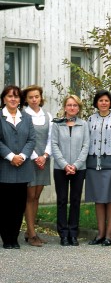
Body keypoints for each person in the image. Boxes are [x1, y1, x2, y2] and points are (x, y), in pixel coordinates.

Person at [86, 90, 111, 246]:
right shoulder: (90, 119)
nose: (103, 103)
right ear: (96, 102)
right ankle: (100, 234)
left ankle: (109, 235)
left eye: (106, 100)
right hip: (93, 166)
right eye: (101, 100)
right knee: (99, 200)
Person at [0, 85, 36, 249]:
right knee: (5, 205)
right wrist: (10, 156)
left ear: (20, 99)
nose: (13, 99)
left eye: (16, 96)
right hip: (4, 167)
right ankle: (6, 239)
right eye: (9, 96)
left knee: (19, 205)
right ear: (4, 99)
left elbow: (31, 140)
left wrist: (21, 156)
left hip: (22, 167)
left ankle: (14, 238)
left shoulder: (27, 118)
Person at [51, 95, 90, 246]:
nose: (72, 108)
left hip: (79, 169)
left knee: (75, 200)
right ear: (65, 107)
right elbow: (54, 145)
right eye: (69, 105)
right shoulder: (57, 124)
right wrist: (64, 165)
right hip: (60, 168)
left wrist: (76, 165)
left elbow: (86, 146)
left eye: (75, 105)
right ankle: (63, 234)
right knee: (61, 200)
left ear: (78, 108)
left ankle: (73, 233)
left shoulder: (84, 124)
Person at [22, 85, 53, 247]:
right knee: (29, 196)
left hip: (44, 160)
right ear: (26, 100)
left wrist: (45, 156)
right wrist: (36, 157)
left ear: (41, 97)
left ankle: (30, 231)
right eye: (31, 97)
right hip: (29, 160)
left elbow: (50, 138)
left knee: (36, 196)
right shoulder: (23, 115)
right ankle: (32, 233)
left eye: (37, 96)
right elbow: (24, 139)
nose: (34, 99)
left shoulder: (47, 115)